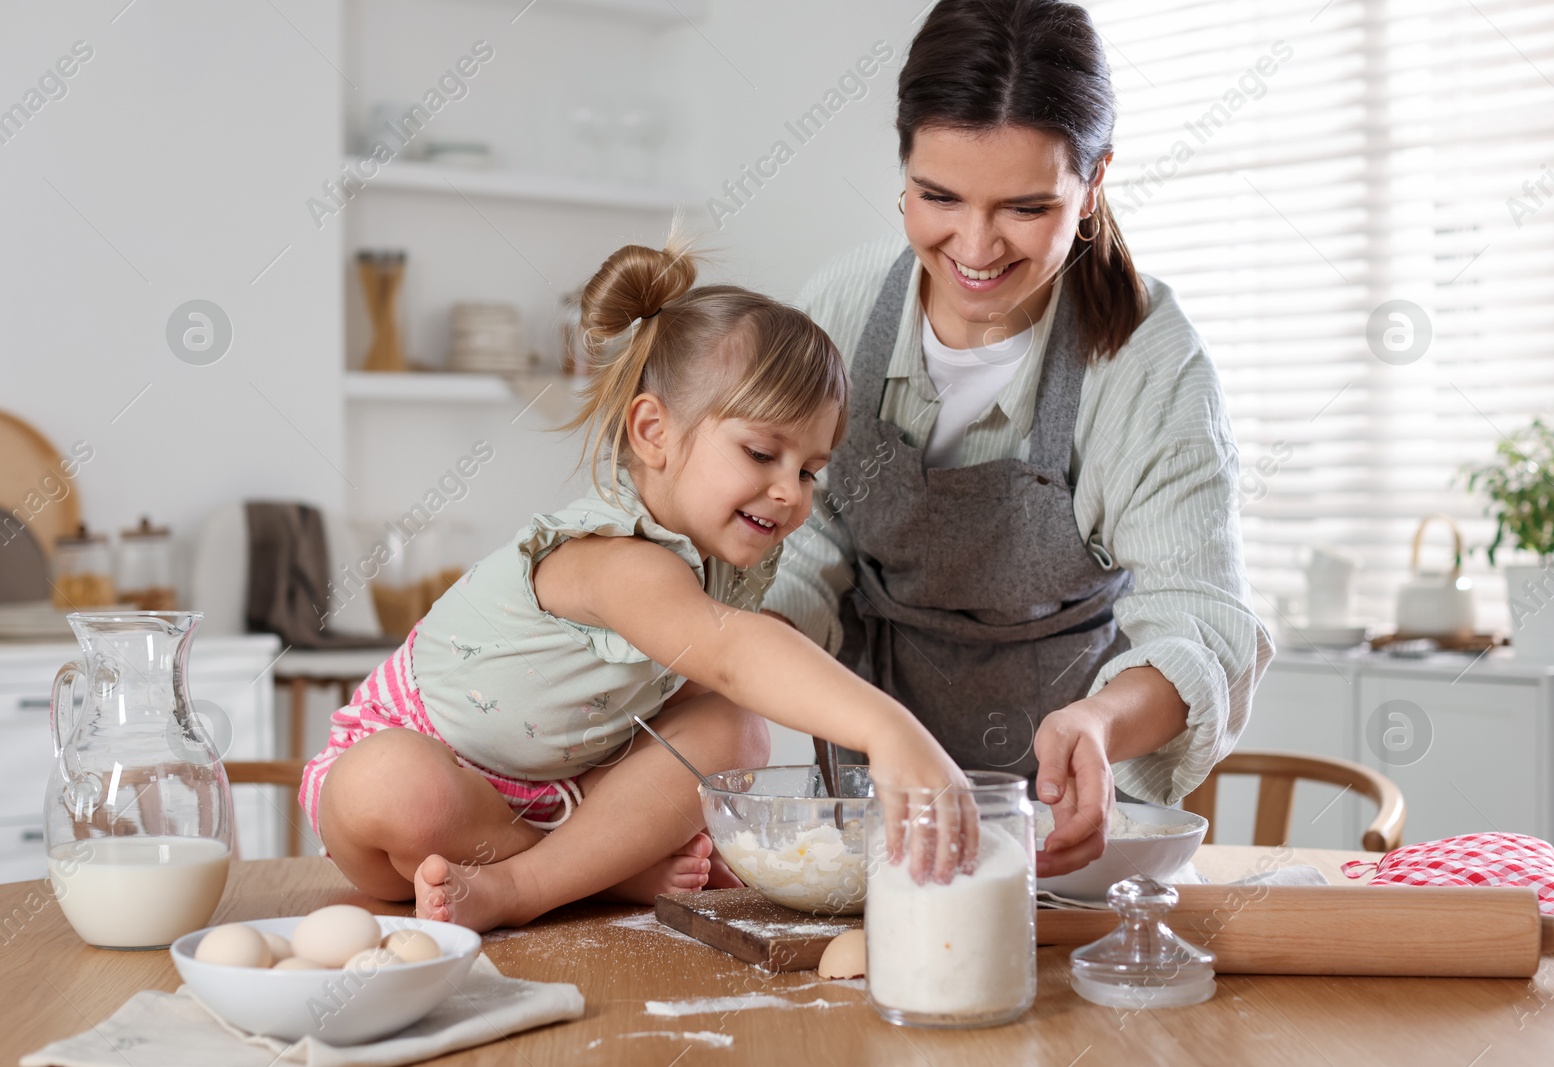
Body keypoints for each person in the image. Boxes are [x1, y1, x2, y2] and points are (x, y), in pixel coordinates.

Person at [300, 236, 972, 933]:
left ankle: (565, 865)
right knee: (395, 787)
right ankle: (555, 878)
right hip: (430, 776)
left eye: (809, 470)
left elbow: (733, 671)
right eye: (762, 452)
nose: (789, 492)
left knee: (734, 729)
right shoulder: (618, 556)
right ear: (653, 431)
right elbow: (732, 653)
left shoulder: (718, 563)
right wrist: (890, 729)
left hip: (571, 786)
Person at [761, 0, 1274, 879]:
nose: (974, 245)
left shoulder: (1146, 356)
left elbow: (1205, 617)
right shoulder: (844, 311)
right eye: (938, 196)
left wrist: (1102, 723)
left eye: (1026, 207)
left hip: (1070, 816)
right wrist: (743, 652)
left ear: (1094, 179)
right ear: (905, 168)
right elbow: (802, 547)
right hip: (869, 802)